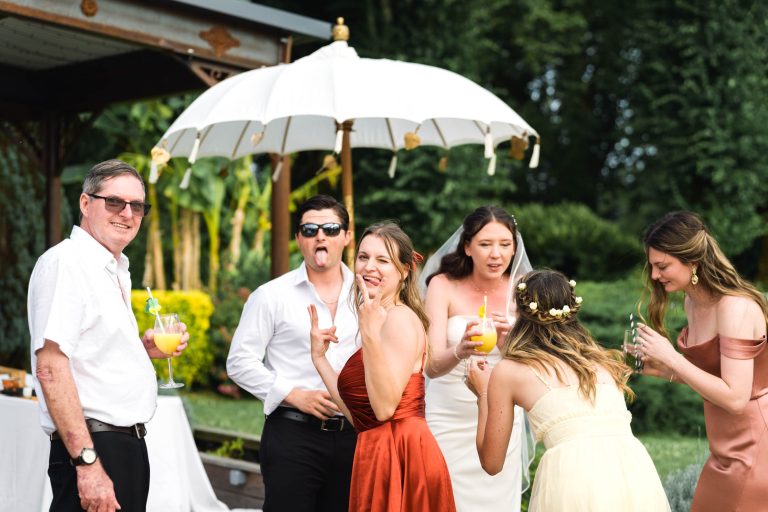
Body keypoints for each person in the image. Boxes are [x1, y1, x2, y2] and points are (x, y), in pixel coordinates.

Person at [28, 159, 189, 512]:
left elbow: (90, 355)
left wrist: (142, 350)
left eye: (137, 206)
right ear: (86, 204)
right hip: (96, 448)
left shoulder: (112, 268)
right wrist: (87, 464)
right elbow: (50, 369)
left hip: (122, 447)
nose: (127, 213)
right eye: (114, 202)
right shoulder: (67, 264)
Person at [467, 269, 670, 511]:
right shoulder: (601, 361)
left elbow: (492, 463)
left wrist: (483, 394)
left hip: (573, 478)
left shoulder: (508, 371)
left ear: (519, 313)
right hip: (633, 473)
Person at [309, 222, 456, 511]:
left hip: (402, 454)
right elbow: (362, 418)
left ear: (403, 271)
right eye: (363, 257)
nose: (369, 267)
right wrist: (319, 359)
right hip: (376, 451)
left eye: (382, 260)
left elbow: (385, 409)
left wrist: (370, 335)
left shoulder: (399, 319)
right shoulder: (379, 318)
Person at [227, 194, 359, 512]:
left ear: (346, 235)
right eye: (310, 229)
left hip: (355, 436)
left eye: (330, 228)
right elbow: (239, 362)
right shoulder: (271, 295)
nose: (320, 236)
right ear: (299, 238)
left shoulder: (367, 295)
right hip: (292, 433)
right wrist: (292, 394)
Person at [635, 211, 768, 511]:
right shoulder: (692, 302)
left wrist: (673, 357)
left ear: (692, 261)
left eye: (662, 266)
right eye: (653, 266)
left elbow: (736, 397)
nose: (655, 276)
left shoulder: (735, 308)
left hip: (755, 448)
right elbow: (716, 378)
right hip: (722, 447)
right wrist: (669, 371)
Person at [420, 205, 532, 511]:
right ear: (468, 247)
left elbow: (537, 366)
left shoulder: (523, 289)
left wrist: (512, 345)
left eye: (505, 245)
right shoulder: (442, 285)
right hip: (447, 417)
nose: (496, 254)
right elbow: (430, 365)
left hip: (500, 418)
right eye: (485, 244)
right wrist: (460, 350)